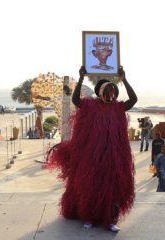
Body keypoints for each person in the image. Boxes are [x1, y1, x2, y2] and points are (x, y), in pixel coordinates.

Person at [48, 66, 137, 232]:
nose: (110, 94)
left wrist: (124, 79)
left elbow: (133, 100)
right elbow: (76, 101)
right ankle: (88, 217)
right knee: (90, 186)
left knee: (112, 187)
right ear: (100, 92)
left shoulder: (117, 107)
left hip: (113, 156)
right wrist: (81, 78)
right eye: (107, 91)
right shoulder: (91, 106)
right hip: (92, 156)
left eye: (112, 91)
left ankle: (110, 220)